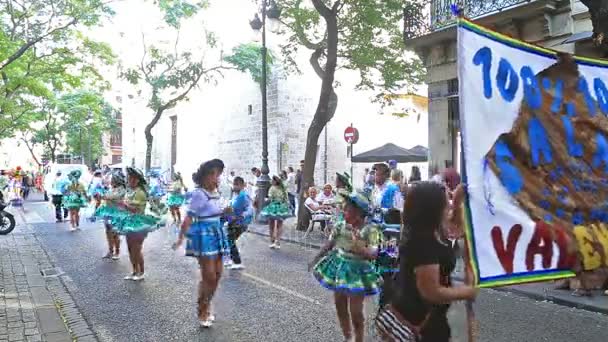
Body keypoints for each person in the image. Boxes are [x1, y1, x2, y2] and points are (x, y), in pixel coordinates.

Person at [375, 182, 477, 342]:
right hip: (420, 322)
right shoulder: (424, 244)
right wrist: (468, 291)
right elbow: (432, 292)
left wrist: (457, 202)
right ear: (433, 210)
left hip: (421, 315)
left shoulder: (424, 230)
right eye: (446, 203)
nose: (449, 207)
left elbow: (455, 225)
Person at [309, 191, 382, 342]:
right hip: (339, 267)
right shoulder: (340, 226)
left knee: (356, 311)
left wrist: (360, 248)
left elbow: (374, 253)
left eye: (347, 210)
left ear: (358, 213)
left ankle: (358, 339)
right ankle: (347, 336)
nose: (343, 212)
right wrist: (316, 258)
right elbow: (329, 244)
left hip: (358, 271)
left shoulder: (370, 230)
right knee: (339, 305)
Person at [173, 159, 231, 328]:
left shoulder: (216, 192)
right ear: (204, 176)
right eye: (211, 174)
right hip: (204, 235)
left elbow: (219, 214)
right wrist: (180, 239)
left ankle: (206, 303)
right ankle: (202, 308)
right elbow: (189, 217)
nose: (215, 177)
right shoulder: (199, 193)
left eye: (217, 174)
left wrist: (227, 213)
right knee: (209, 276)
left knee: (218, 275)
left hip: (217, 232)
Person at [114, 167, 164, 281]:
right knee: (130, 248)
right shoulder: (130, 191)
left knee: (136, 249)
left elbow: (135, 210)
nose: (130, 180)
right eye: (129, 178)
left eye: (133, 178)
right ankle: (134, 271)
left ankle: (141, 272)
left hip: (138, 223)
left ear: (137, 180)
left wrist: (123, 205)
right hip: (129, 222)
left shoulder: (140, 193)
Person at [95, 172, 127, 260]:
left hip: (117, 214)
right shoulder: (111, 189)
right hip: (109, 212)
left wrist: (102, 196)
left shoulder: (122, 190)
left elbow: (113, 197)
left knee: (115, 233)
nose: (111, 181)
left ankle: (117, 252)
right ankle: (110, 251)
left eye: (112, 179)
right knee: (108, 232)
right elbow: (107, 196)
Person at [224, 176, 253, 270]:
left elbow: (250, 209)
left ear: (241, 185)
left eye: (236, 185)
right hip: (233, 221)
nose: (234, 187)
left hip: (240, 222)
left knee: (229, 239)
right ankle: (230, 259)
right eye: (233, 184)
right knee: (228, 239)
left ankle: (237, 261)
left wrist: (242, 216)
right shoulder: (236, 195)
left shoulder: (244, 196)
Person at [260, 175, 290, 249]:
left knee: (271, 225)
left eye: (272, 180)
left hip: (273, 207)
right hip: (281, 207)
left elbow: (270, 199)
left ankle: (272, 241)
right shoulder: (283, 189)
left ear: (275, 181)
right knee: (279, 225)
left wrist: (266, 200)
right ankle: (278, 242)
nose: (271, 182)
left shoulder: (272, 188)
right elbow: (286, 199)